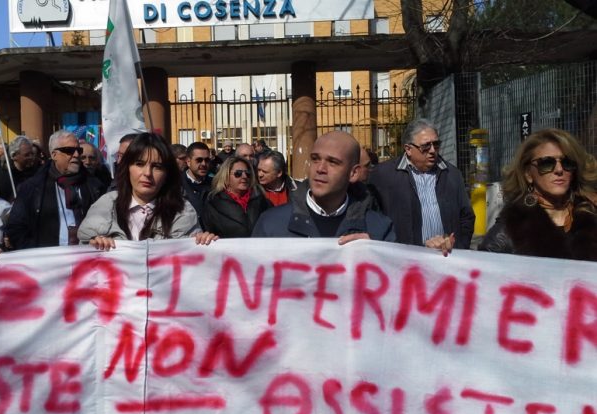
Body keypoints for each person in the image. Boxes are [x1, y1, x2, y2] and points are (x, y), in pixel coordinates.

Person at [78, 132, 217, 249]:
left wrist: (202, 242)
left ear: (167, 173)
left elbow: (191, 265)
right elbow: (81, 258)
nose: (147, 173)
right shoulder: (104, 205)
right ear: (127, 168)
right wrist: (94, 245)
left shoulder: (183, 211)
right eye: (139, 164)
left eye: (157, 166)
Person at [252, 131, 395, 243]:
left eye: (333, 162)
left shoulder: (378, 229)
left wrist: (375, 257)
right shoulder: (271, 224)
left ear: (353, 173)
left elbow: (395, 277)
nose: (320, 168)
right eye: (315, 159)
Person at [479, 128, 597, 260]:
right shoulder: (508, 231)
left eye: (567, 163)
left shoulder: (591, 216)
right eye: (546, 163)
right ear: (528, 174)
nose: (559, 170)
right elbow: (479, 273)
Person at [369, 118, 474, 255]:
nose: (432, 151)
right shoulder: (383, 175)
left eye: (436, 145)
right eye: (426, 146)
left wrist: (458, 246)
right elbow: (373, 217)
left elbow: (466, 217)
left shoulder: (452, 175)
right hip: (403, 260)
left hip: (446, 258)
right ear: (408, 149)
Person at [6, 130, 105, 249]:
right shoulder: (32, 188)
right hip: (48, 263)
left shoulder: (95, 186)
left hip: (88, 259)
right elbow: (16, 228)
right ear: (54, 155)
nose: (76, 155)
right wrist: (35, 254)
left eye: (79, 150)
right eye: (69, 151)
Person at [202, 156, 272, 238]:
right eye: (238, 173)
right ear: (226, 176)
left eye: (247, 173)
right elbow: (207, 233)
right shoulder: (213, 203)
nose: (244, 176)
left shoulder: (262, 200)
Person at [0, 136, 39, 202]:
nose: (31, 157)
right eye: (27, 155)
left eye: (32, 154)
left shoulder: (37, 174)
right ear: (14, 156)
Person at [182, 142, 213, 222]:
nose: (204, 164)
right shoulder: (176, 185)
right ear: (188, 161)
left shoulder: (215, 184)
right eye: (199, 160)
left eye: (207, 160)